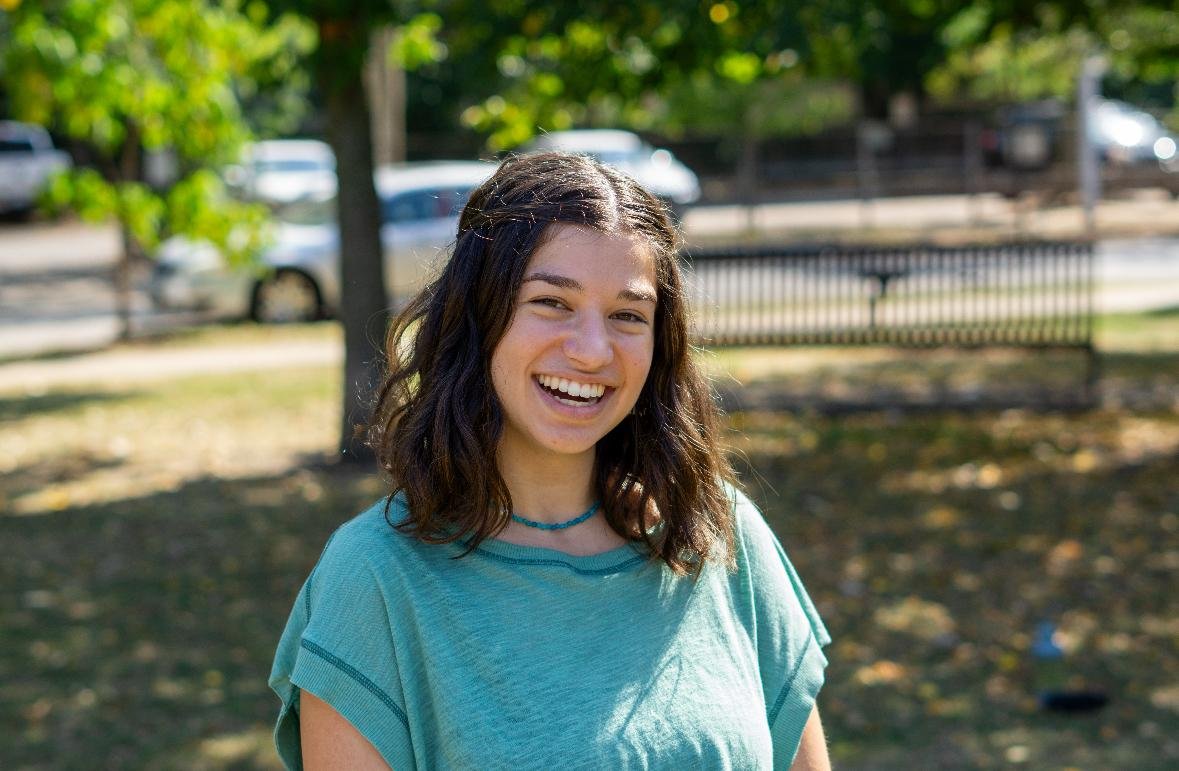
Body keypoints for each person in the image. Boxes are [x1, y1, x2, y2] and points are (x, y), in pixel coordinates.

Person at [269, 152, 832, 770]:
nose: (592, 351)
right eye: (552, 302)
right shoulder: (374, 578)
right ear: (479, 315)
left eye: (627, 315)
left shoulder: (720, 533)